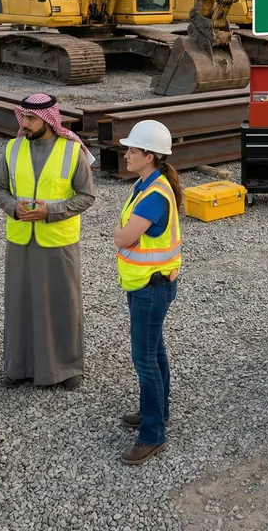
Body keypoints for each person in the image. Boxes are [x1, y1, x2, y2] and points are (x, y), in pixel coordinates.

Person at [0, 93, 95, 390]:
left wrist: (51, 211)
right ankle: (18, 367)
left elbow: (87, 197)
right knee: (19, 304)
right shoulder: (11, 149)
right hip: (21, 241)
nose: (24, 123)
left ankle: (67, 368)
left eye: (31, 119)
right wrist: (13, 207)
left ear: (49, 120)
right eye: (23, 117)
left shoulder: (73, 152)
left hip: (58, 243)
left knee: (63, 304)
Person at [114, 121, 182, 465]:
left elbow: (124, 237)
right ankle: (158, 410)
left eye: (133, 150)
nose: (126, 155)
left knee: (145, 358)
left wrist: (120, 233)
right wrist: (125, 232)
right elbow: (129, 234)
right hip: (149, 282)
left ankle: (153, 434)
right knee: (155, 352)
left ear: (150, 156)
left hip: (150, 285)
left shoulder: (154, 194)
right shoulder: (148, 183)